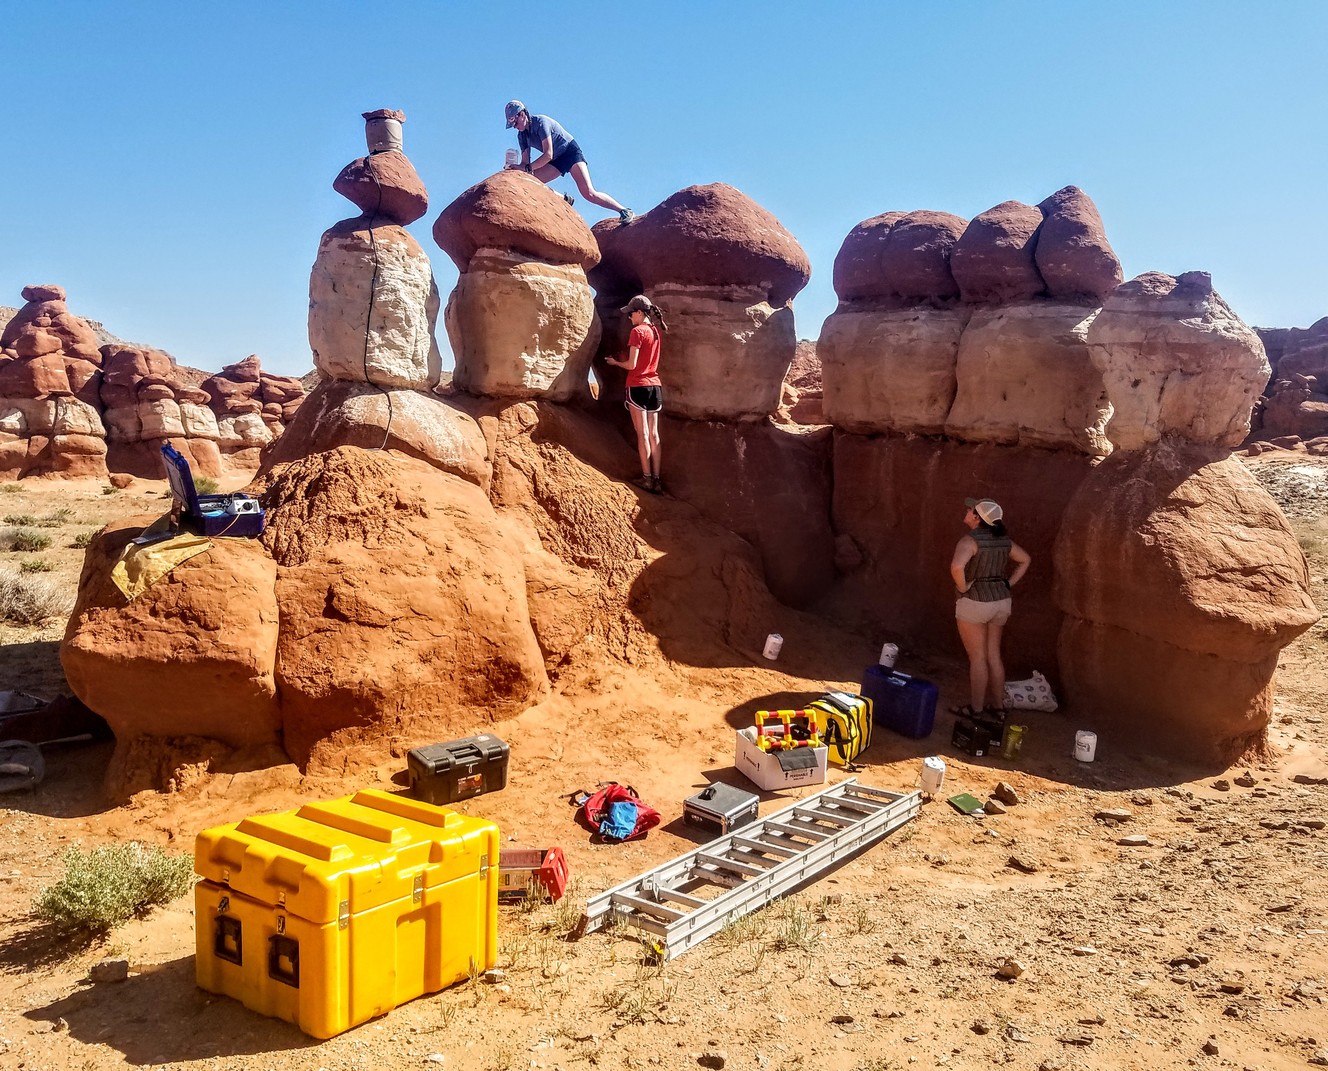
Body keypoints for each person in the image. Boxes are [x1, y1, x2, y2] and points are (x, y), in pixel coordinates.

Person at [949, 497, 1031, 719]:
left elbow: (957, 566)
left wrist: (963, 586)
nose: (966, 511)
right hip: (1001, 603)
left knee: (978, 658)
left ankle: (976, 710)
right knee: (993, 655)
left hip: (975, 603)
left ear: (977, 517)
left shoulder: (969, 541)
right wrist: (1008, 584)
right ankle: (998, 707)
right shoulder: (1004, 540)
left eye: (969, 510)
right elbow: (1025, 560)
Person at [503, 100, 635, 222]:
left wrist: (527, 169)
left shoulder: (541, 123)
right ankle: (565, 199)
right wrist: (515, 169)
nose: (514, 126)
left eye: (515, 122)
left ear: (522, 114)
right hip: (556, 158)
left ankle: (623, 210)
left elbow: (548, 154)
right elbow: (525, 164)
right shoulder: (522, 136)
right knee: (531, 181)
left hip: (570, 152)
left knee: (588, 193)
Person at [604, 295, 667, 493]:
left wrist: (615, 363)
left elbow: (632, 365)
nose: (629, 317)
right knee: (654, 435)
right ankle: (657, 480)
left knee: (643, 435)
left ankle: (646, 479)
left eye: (631, 314)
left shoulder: (637, 332)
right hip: (654, 386)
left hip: (637, 385)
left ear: (640, 312)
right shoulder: (656, 332)